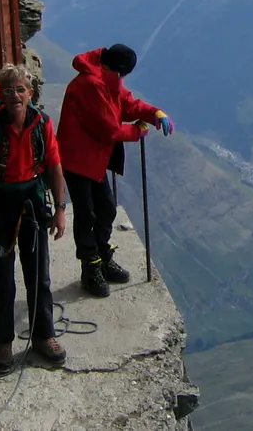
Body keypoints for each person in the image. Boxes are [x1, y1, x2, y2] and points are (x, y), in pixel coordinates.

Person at [0, 63, 69, 372]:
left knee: (39, 274)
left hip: (33, 202)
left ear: (30, 93)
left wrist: (60, 210)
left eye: (20, 90)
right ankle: (3, 344)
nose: (14, 96)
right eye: (8, 91)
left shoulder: (42, 124)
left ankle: (43, 335)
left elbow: (55, 166)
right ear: (1, 95)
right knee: (0, 278)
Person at [57, 44, 174, 298]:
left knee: (107, 208)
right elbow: (108, 128)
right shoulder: (90, 85)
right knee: (87, 214)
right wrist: (137, 131)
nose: (123, 80)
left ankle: (102, 256)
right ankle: (91, 268)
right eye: (123, 75)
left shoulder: (105, 78)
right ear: (116, 69)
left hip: (93, 159)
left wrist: (154, 113)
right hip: (78, 160)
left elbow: (126, 103)